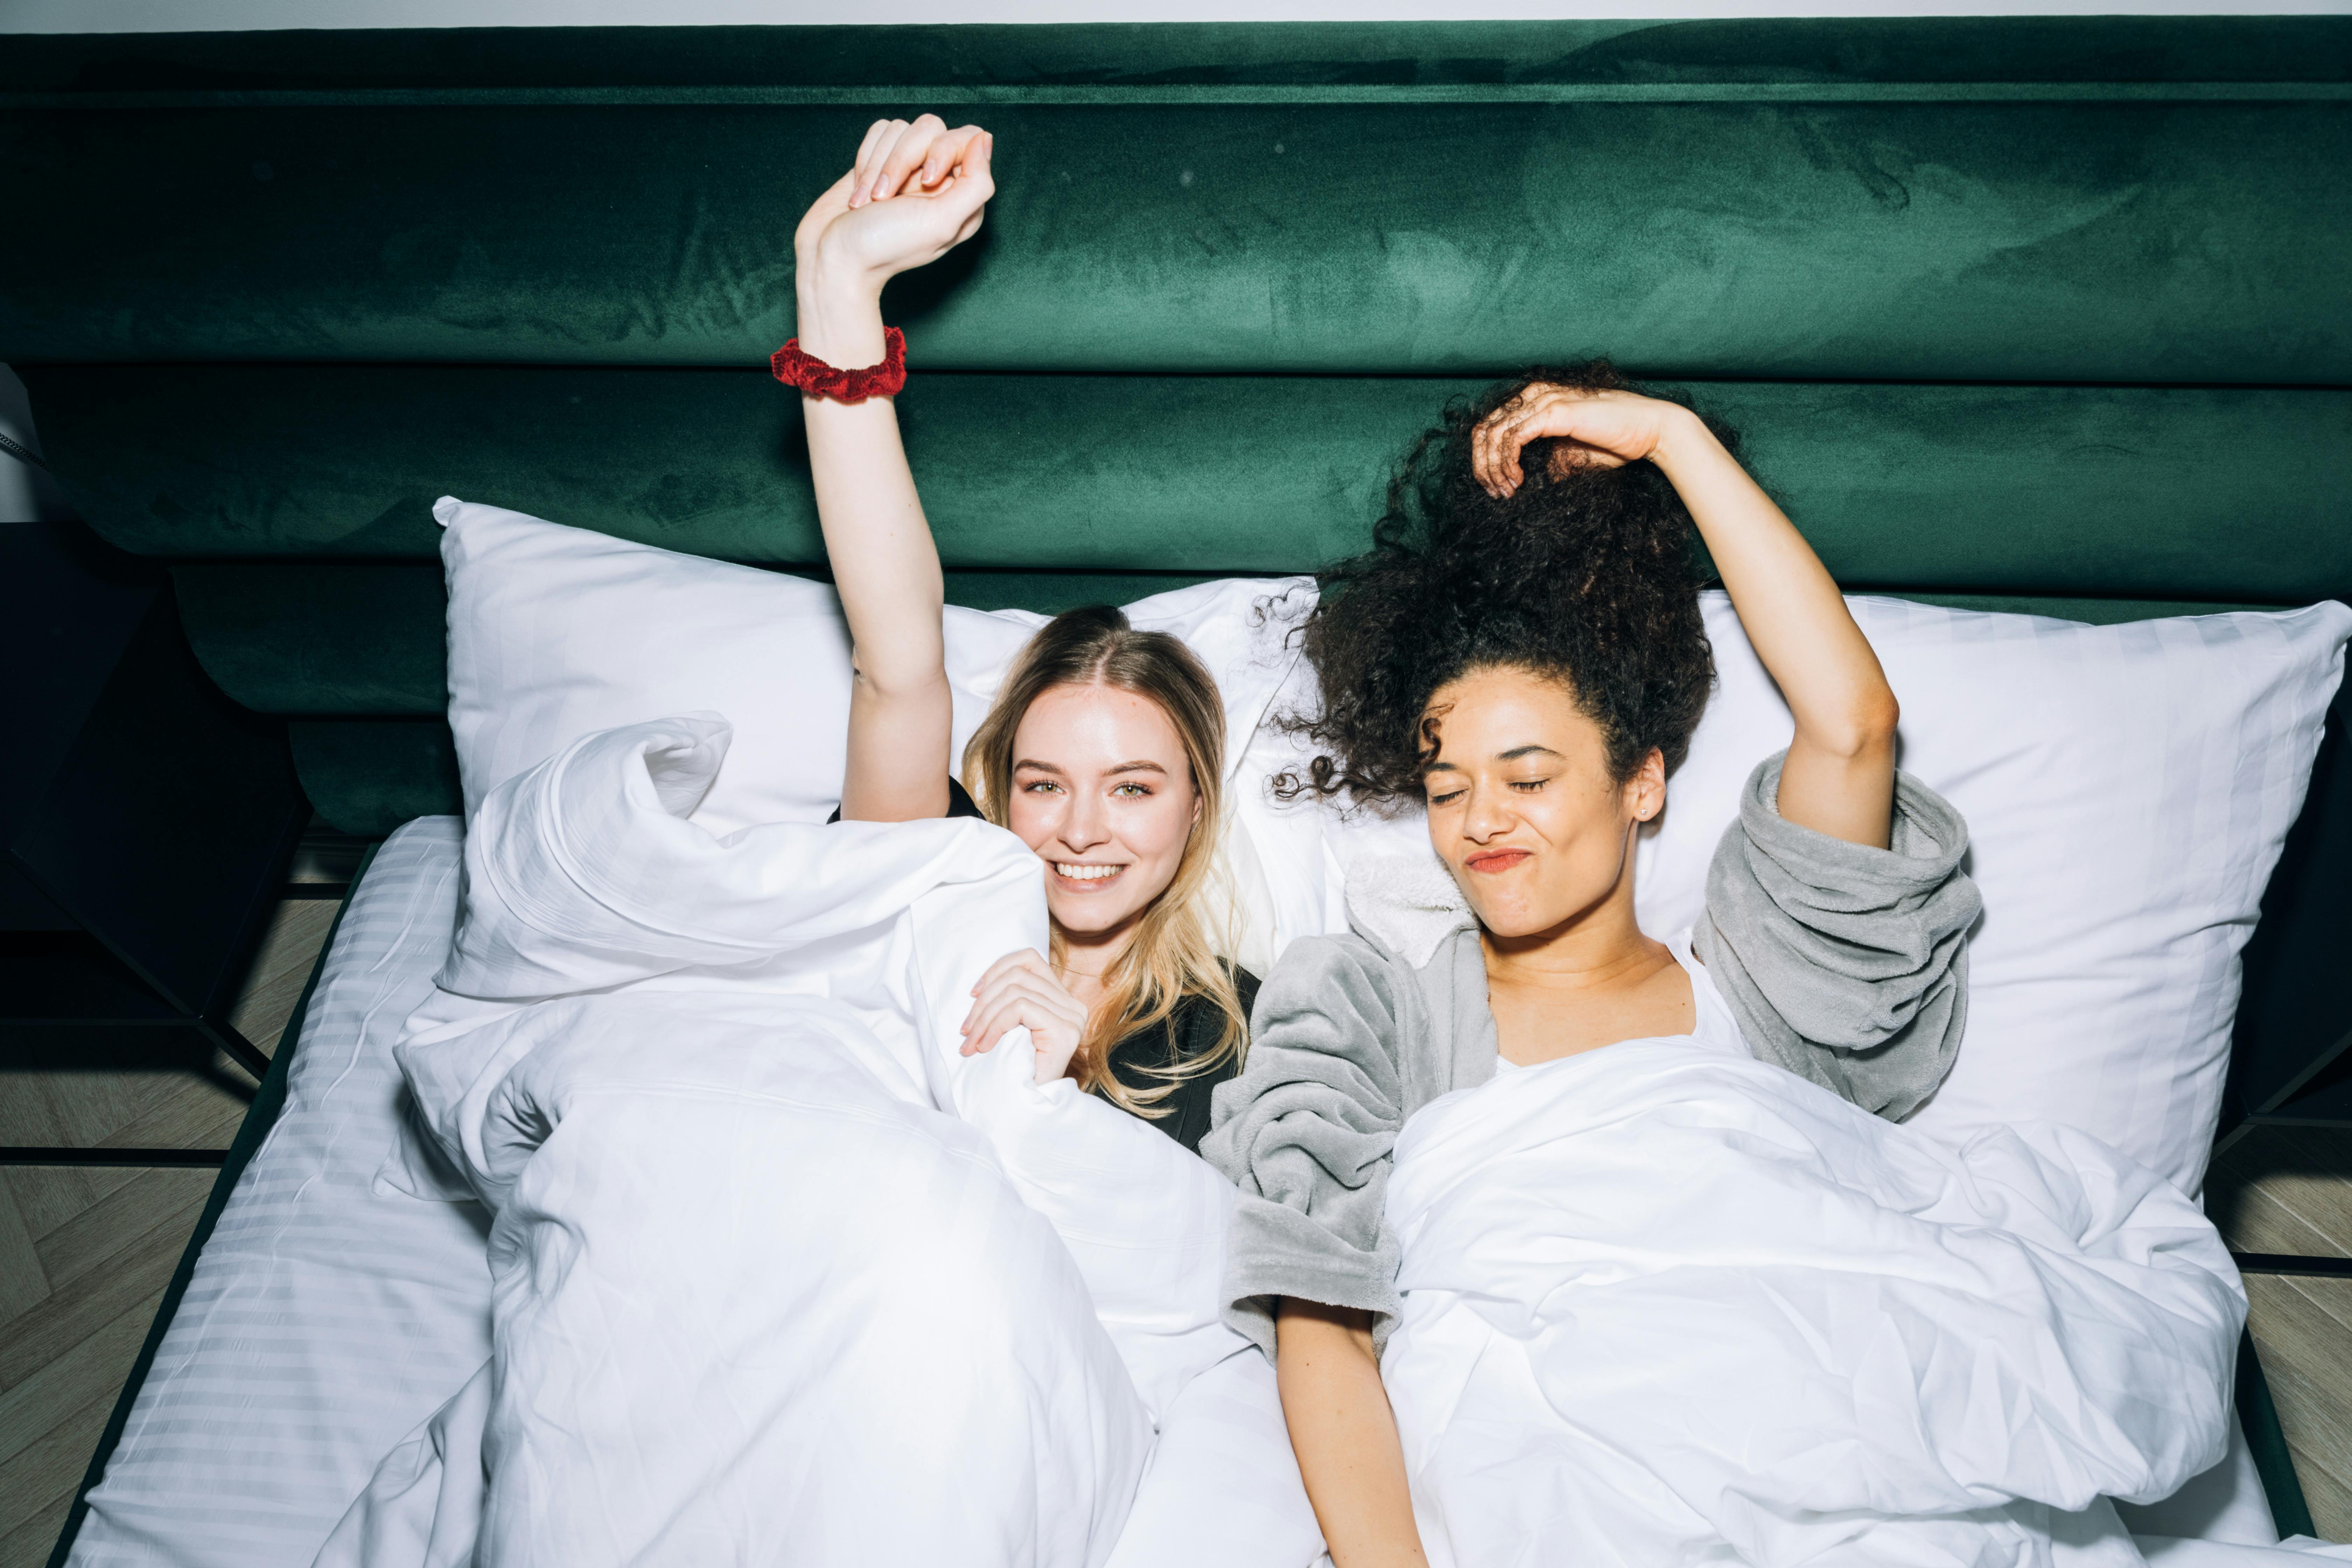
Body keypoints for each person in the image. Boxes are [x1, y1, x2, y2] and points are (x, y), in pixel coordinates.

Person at [1198, 364, 1983, 1564]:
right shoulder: (1371, 1009)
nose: (1480, 821)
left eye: (1527, 778)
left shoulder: (1764, 988)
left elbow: (1854, 721)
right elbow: (1319, 1319)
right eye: (1448, 788)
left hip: (1829, 1434)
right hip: (1538, 1489)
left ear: (1642, 782)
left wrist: (1673, 441)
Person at [791, 115, 1252, 1150]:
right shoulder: (933, 892)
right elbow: (899, 662)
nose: (1080, 830)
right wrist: (836, 291)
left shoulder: (1238, 1036)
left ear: (1197, 806)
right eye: (1044, 784)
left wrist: (1054, 1102)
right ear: (996, 787)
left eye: (1133, 787)